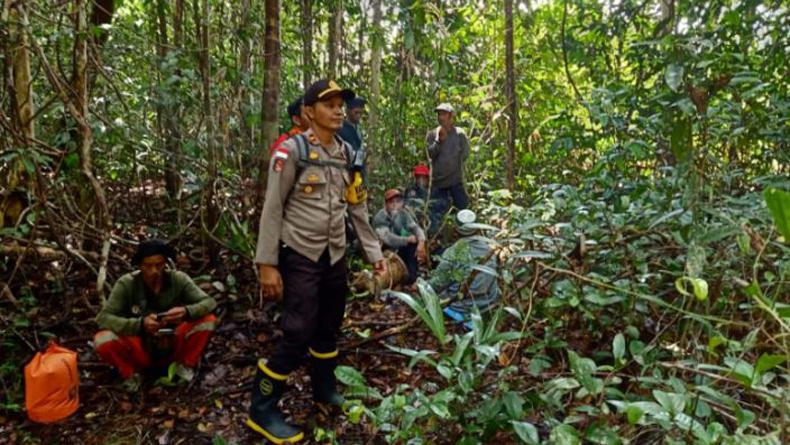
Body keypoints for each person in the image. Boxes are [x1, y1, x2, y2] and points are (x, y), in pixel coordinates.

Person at [248, 79, 386, 444]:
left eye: (341, 103)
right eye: (329, 104)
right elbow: (273, 208)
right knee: (297, 332)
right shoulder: (291, 150)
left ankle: (324, 390)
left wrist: (374, 254)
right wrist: (267, 263)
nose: (339, 110)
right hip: (301, 254)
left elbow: (357, 206)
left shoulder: (346, 153)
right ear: (309, 112)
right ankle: (262, 409)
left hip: (335, 255)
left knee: (328, 327)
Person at [94, 239, 217, 391]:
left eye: (159, 265)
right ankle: (132, 374)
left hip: (175, 343)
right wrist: (139, 325)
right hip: (140, 347)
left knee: (208, 320)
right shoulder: (127, 284)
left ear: (165, 263)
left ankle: (184, 366)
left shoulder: (178, 279)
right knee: (103, 339)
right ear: (140, 265)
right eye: (148, 266)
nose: (154, 271)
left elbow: (209, 302)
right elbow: (103, 318)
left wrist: (186, 311)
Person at [428, 210, 499, 319]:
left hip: (460, 307)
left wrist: (422, 287)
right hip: (488, 303)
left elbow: (438, 283)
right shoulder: (488, 249)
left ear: (456, 230)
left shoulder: (453, 253)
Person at [426, 103, 470, 234]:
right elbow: (430, 154)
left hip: (455, 180)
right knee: (435, 215)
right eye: (439, 114)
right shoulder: (432, 134)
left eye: (443, 114)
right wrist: (439, 141)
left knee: (464, 211)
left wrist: (455, 166)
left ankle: (465, 236)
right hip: (438, 182)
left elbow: (465, 153)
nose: (440, 117)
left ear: (451, 116)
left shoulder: (460, 134)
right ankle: (437, 240)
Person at [372, 189, 427, 286]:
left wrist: (421, 242)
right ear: (385, 204)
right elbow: (387, 238)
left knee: (413, 244)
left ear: (402, 203)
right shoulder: (380, 217)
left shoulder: (403, 214)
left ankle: (412, 277)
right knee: (409, 241)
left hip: (399, 249)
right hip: (384, 250)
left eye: (398, 202)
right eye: (391, 202)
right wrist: (406, 240)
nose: (394, 205)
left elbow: (415, 227)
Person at [337, 95, 367, 176]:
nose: (359, 115)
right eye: (356, 112)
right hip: (346, 172)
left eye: (361, 113)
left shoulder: (359, 128)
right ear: (347, 111)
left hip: (359, 170)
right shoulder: (340, 128)